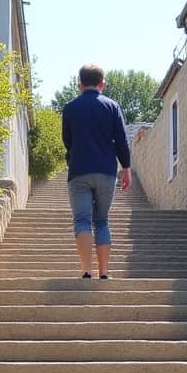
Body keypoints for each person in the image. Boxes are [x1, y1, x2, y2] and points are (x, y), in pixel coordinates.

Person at [61, 63, 132, 279]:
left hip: (79, 171)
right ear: (102, 84)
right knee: (102, 220)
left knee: (82, 220)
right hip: (106, 172)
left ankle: (86, 271)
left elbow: (67, 141)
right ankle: (104, 273)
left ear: (80, 85)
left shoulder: (70, 108)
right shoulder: (112, 106)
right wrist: (126, 169)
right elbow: (122, 141)